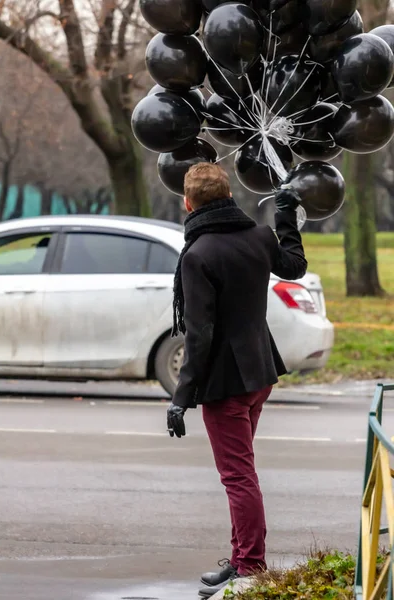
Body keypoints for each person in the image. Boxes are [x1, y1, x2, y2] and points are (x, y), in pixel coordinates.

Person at [166, 163, 307, 599]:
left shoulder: (198, 254)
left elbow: (200, 334)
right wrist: (285, 216)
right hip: (258, 373)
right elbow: (295, 266)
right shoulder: (259, 236)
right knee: (240, 473)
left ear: (188, 203)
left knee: (238, 477)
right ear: (228, 195)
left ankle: (250, 566)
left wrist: (180, 397)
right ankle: (244, 556)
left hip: (226, 384)